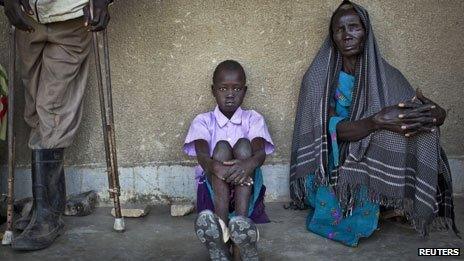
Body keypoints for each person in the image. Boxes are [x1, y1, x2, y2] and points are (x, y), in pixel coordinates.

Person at [289, 1, 459, 247]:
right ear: (332, 36)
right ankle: (366, 207)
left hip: (367, 145)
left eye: (354, 27)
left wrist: (435, 115)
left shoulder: (386, 75)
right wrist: (377, 120)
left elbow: (415, 112)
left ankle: (401, 203)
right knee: (377, 135)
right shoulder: (319, 77)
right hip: (333, 157)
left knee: (423, 132)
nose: (347, 35)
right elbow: (331, 131)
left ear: (366, 32)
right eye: (340, 29)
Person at [3, 0, 114, 250]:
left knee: (52, 108)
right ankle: (46, 204)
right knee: (33, 109)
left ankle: (47, 216)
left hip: (71, 19)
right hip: (27, 18)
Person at [183, 60, 274, 260]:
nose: (230, 94)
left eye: (237, 89)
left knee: (243, 145)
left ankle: (238, 235)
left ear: (245, 90)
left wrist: (245, 165)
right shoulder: (203, 121)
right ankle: (222, 230)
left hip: (246, 188)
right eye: (223, 88)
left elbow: (259, 154)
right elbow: (203, 157)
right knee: (221, 149)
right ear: (213, 90)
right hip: (213, 191)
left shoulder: (254, 119)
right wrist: (219, 168)